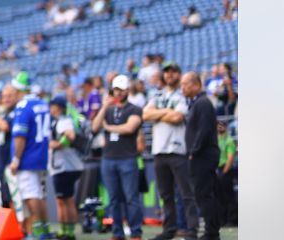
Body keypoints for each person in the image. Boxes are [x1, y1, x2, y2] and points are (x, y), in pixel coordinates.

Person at [144, 62, 199, 240]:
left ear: (179, 74)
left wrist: (158, 113)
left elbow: (177, 117)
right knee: (166, 195)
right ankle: (169, 229)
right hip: (159, 151)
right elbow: (145, 115)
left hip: (177, 150)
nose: (169, 75)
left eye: (173, 72)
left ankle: (191, 229)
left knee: (186, 193)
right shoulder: (157, 95)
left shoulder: (182, 96)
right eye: (167, 72)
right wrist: (166, 111)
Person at [92, 75, 144, 240]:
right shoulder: (108, 109)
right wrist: (103, 107)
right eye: (116, 90)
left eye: (122, 90)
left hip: (127, 158)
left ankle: (135, 232)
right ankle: (117, 232)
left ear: (128, 90)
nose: (119, 93)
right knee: (113, 199)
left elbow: (130, 128)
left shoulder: (135, 109)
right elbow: (94, 127)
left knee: (131, 198)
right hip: (108, 159)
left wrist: (108, 127)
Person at [7, 75, 52, 240]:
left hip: (28, 157)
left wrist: (16, 159)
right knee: (38, 195)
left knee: (30, 195)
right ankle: (44, 230)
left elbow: (20, 136)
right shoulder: (41, 103)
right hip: (40, 154)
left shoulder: (23, 106)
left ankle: (40, 233)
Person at [182, 72, 221, 240]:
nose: (182, 88)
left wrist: (193, 151)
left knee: (204, 195)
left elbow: (204, 130)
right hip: (202, 156)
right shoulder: (198, 103)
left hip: (202, 157)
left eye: (185, 84)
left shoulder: (202, 103)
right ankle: (211, 232)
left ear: (196, 85)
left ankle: (211, 233)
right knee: (205, 194)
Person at [48, 96, 84, 240]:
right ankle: (66, 231)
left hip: (64, 166)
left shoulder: (63, 120)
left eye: (53, 106)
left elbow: (70, 135)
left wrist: (56, 144)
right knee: (64, 199)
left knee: (64, 200)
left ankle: (67, 231)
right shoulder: (58, 121)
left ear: (58, 107)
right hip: (64, 166)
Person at [215, 122, 236, 226]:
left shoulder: (229, 141)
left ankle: (231, 220)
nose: (219, 127)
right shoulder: (216, 140)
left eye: (222, 125)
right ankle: (222, 220)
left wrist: (224, 172)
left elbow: (230, 158)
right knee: (219, 197)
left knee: (229, 197)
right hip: (217, 170)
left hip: (225, 170)